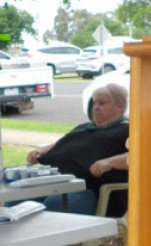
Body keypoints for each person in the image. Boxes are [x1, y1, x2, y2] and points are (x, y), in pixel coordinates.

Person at [27, 83, 129, 216]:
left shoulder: (126, 130)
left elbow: (139, 157)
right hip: (55, 179)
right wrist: (41, 152)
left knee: (54, 204)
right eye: (94, 103)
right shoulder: (84, 127)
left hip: (87, 187)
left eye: (102, 103)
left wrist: (109, 162)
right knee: (17, 200)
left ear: (119, 106)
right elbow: (60, 145)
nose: (96, 108)